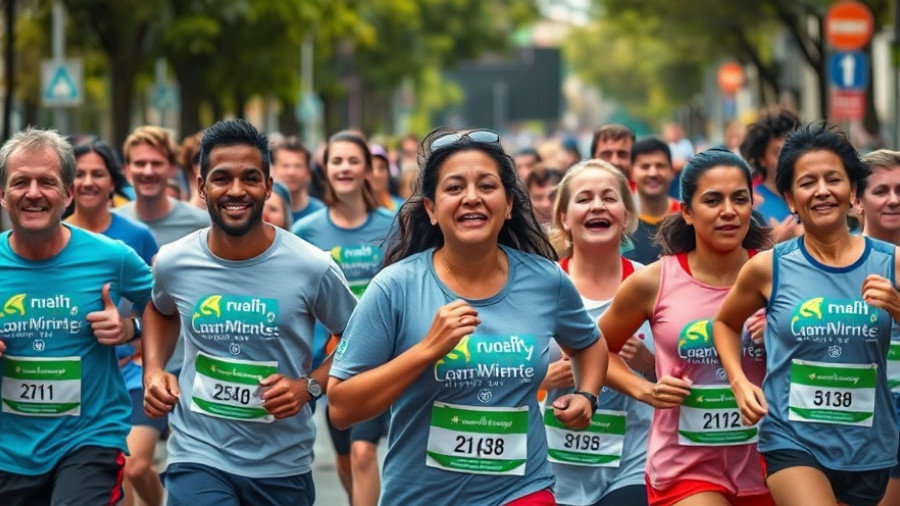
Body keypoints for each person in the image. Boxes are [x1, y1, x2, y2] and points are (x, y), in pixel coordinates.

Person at [328, 127, 608, 505]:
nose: (472, 197)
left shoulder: (546, 280)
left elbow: (589, 344)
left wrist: (587, 395)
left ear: (508, 205)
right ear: (431, 209)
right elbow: (342, 408)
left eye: (487, 186)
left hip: (521, 489)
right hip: (421, 496)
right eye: (455, 187)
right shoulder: (394, 287)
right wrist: (426, 350)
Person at [141, 119, 358, 506]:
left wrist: (309, 386)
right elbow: (160, 308)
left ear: (268, 187)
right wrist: (154, 369)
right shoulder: (174, 261)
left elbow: (358, 338)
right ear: (202, 186)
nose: (236, 190)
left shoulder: (312, 266)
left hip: (281, 464)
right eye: (222, 178)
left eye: (250, 178)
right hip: (198, 453)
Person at [714, 124, 900, 506]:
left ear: (853, 191)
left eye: (833, 179)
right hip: (790, 440)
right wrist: (738, 381)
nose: (822, 190)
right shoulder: (768, 267)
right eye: (807, 182)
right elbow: (725, 323)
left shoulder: (891, 262)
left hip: (870, 445)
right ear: (790, 198)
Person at [599, 148, 774, 506]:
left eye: (740, 199)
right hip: (685, 469)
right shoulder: (654, 281)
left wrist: (782, 331)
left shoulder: (778, 274)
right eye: (713, 200)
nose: (729, 210)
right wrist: (645, 390)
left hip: (770, 463)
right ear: (687, 212)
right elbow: (595, 350)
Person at [0, 128, 152, 505]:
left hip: (89, 438)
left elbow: (171, 307)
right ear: (3, 194)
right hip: (9, 448)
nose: (33, 193)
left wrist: (131, 328)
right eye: (20, 182)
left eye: (46, 182)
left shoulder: (111, 256)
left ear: (68, 194)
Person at [292, 130, 395, 506]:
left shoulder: (395, 224)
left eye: (354, 160)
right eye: (336, 161)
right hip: (331, 359)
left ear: (368, 169)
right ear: (325, 169)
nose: (345, 168)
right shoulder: (306, 231)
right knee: (344, 455)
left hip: (381, 356)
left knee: (363, 451)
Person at [545, 160, 654, 506]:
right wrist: (544, 378)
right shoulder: (538, 286)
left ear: (626, 215)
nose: (597, 206)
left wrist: (650, 364)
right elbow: (502, 373)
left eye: (608, 198)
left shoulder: (652, 284)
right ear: (564, 217)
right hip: (548, 466)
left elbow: (687, 370)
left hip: (632, 462)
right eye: (584, 198)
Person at [66, 137, 162, 506]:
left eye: (98, 174)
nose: (88, 182)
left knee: (135, 465)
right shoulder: (50, 237)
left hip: (131, 371)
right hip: (77, 379)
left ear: (113, 181)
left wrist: (132, 332)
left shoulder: (135, 236)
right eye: (79, 174)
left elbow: (161, 303)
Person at [115, 125, 209, 376]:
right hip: (126, 364)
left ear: (171, 169)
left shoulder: (201, 224)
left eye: (156, 163)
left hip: (187, 361)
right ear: (127, 170)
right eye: (140, 163)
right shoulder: (113, 225)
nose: (148, 171)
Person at [857, 150, 900, 506]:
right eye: (881, 190)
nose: (894, 200)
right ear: (857, 201)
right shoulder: (835, 259)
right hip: (854, 417)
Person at [740, 108, 802, 242]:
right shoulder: (751, 201)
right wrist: (773, 245)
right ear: (761, 159)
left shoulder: (813, 194)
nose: (787, 159)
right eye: (778, 153)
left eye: (793, 150)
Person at [625, 138, 680, 265]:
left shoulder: (688, 217)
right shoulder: (622, 221)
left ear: (671, 170)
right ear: (631, 172)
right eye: (645, 166)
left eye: (660, 166)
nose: (653, 173)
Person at [270, 136, 324, 222]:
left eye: (298, 166)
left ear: (308, 173)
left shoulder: (321, 214)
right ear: (273, 171)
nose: (291, 172)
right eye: (285, 166)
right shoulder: (261, 213)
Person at [370, 143, 405, 212]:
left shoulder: (402, 207)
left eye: (382, 168)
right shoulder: (352, 209)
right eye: (370, 168)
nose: (376, 174)